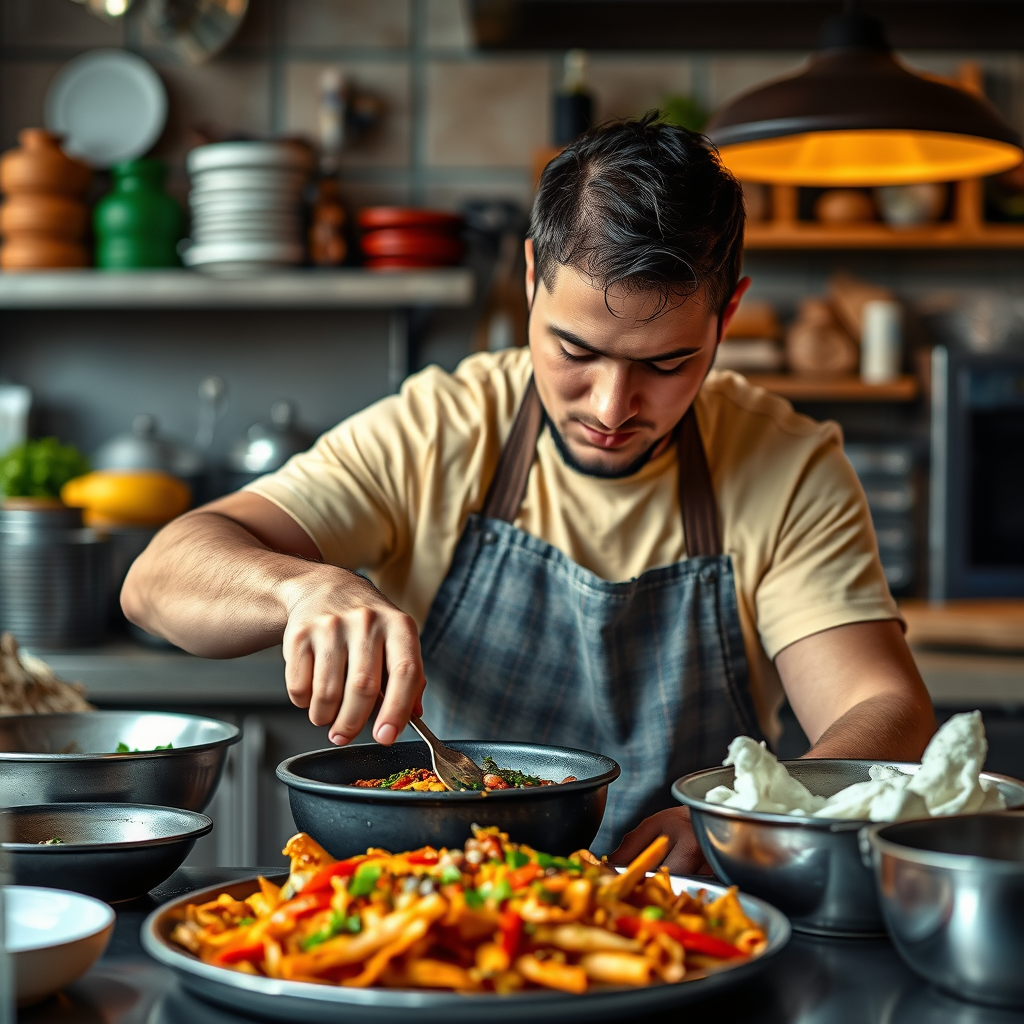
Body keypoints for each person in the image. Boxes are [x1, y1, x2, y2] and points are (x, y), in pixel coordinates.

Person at [123, 114, 935, 869]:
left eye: (665, 364)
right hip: (442, 906)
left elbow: (883, 708)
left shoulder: (787, 466)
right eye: (575, 350)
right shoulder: (441, 429)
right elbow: (158, 580)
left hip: (685, 912)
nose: (613, 408)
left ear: (729, 313)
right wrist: (302, 587)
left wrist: (741, 814)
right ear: (530, 278)